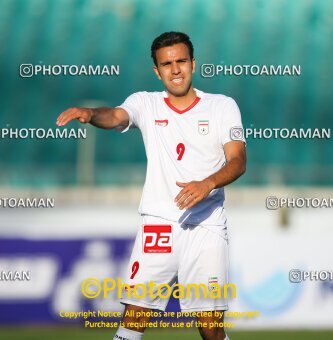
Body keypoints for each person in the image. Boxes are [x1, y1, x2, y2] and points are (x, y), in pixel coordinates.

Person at [56, 31, 246, 340]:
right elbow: (116, 116)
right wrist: (91, 114)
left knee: (211, 328)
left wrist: (207, 183)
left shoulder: (222, 107)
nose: (175, 69)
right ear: (156, 71)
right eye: (167, 64)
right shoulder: (145, 103)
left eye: (181, 61)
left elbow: (238, 161)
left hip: (207, 226)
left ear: (194, 64)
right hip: (158, 225)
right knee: (134, 318)